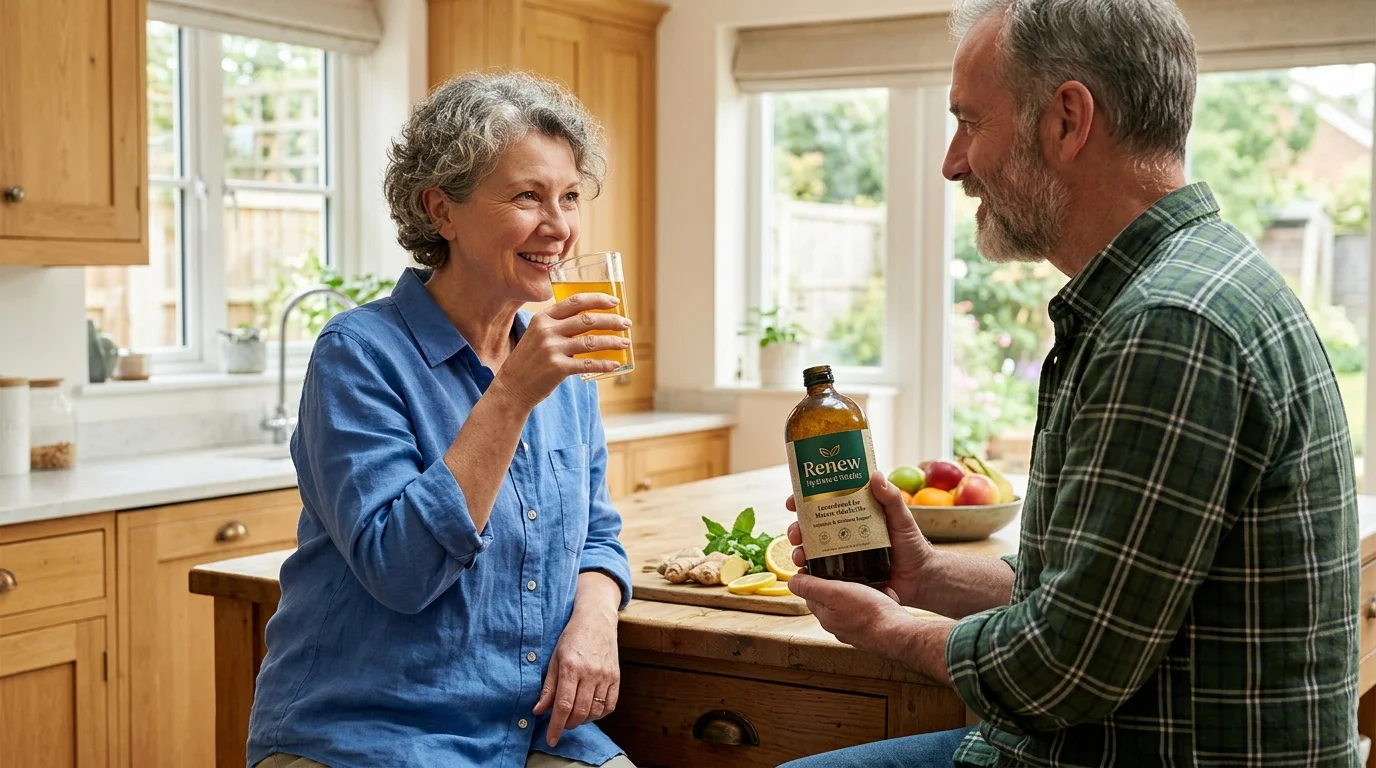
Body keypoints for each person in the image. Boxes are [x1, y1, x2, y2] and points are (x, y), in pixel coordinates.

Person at [781, 0, 1361, 765]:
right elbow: (1090, 589)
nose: (953, 162)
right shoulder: (1180, 286)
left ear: (1066, 120)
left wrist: (886, 627)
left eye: (971, 122)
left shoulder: (1169, 326)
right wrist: (924, 575)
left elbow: (1063, 670)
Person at [246, 72, 639, 768]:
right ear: (441, 210)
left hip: (526, 731)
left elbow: (597, 532)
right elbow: (401, 570)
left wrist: (596, 618)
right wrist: (511, 397)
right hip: (373, 736)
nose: (560, 227)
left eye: (570, 196)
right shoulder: (358, 355)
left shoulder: (560, 364)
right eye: (528, 196)